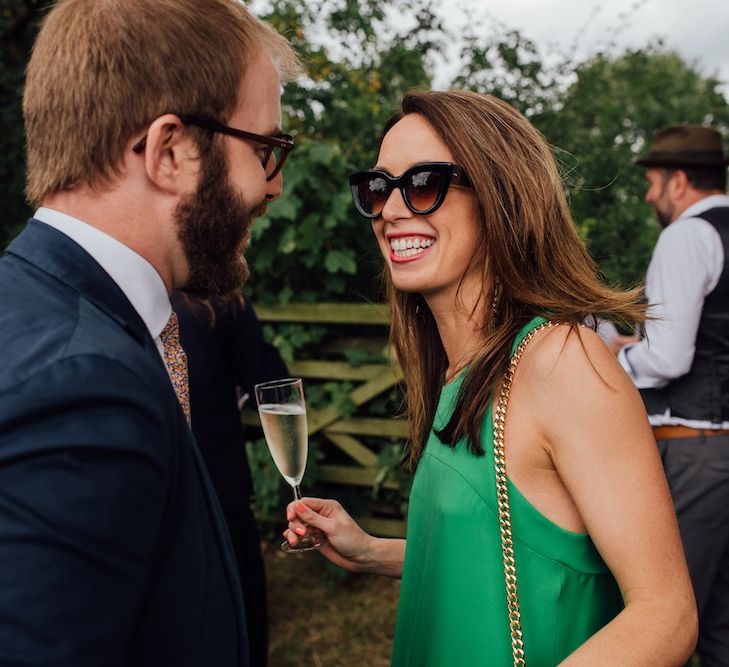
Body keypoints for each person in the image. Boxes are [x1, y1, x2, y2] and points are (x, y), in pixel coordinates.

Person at [284, 91, 697, 665]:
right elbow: (510, 552)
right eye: (378, 189)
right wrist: (372, 551)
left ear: (501, 197)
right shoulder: (460, 368)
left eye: (423, 184)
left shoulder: (560, 361)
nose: (392, 211)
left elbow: (666, 614)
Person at [0, 1, 299, 665]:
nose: (272, 188)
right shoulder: (79, 387)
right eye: (266, 150)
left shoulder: (42, 308)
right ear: (170, 151)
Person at [610, 124, 729, 666]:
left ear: (678, 180)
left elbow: (668, 359)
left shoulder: (686, 236)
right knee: (719, 622)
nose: (648, 195)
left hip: (694, 452)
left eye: (653, 181)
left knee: (663, 624)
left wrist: (615, 357)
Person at [173, 291, 289, 667]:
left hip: (158, 496)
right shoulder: (218, 300)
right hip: (220, 491)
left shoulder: (112, 301)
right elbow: (270, 383)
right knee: (240, 618)